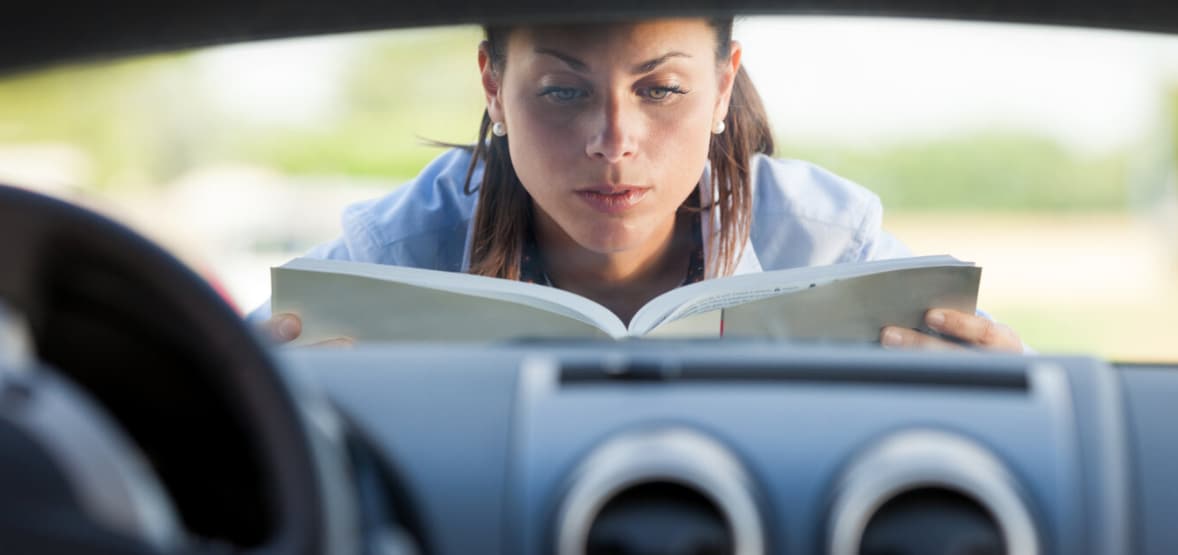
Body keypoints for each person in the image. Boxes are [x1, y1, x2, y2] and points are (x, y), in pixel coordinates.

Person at [257, 17, 1023, 352]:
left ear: (724, 87)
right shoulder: (387, 254)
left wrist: (1005, 390)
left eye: (660, 90)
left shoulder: (832, 243)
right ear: (493, 86)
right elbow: (213, 380)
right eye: (562, 91)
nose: (614, 142)